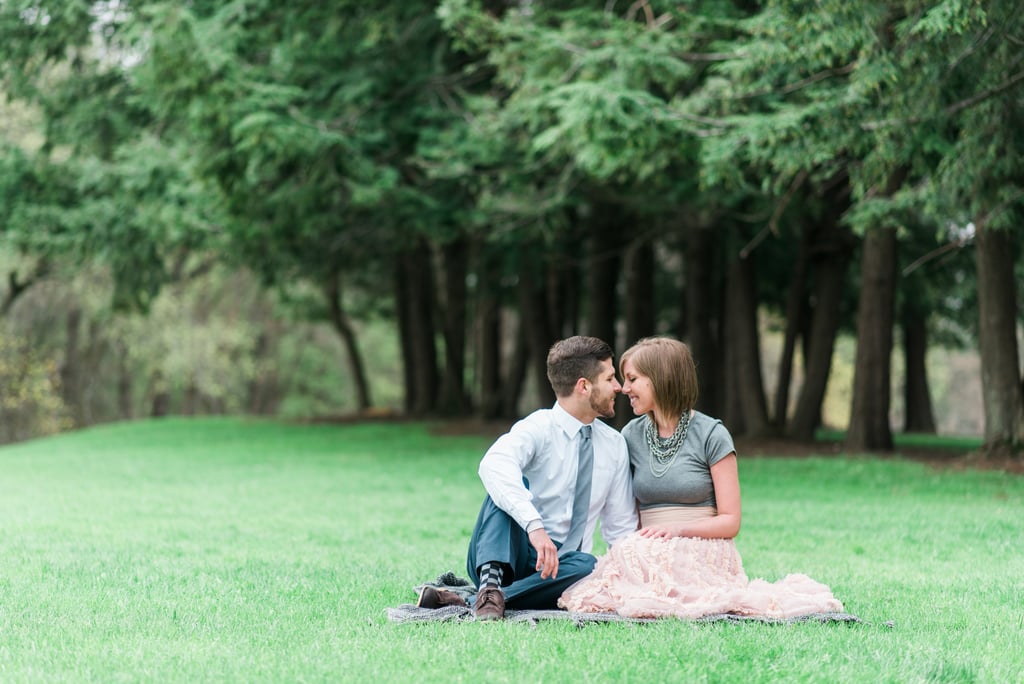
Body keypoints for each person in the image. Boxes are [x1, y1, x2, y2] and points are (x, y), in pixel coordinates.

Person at [559, 336, 844, 619]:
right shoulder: (630, 436)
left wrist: (677, 530)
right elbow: (627, 514)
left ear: (660, 379)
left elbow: (731, 521)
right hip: (648, 549)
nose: (625, 389)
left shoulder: (711, 434)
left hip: (702, 547)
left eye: (633, 379)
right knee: (609, 577)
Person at [417, 336, 638, 620]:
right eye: (610, 378)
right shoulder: (538, 427)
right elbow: (493, 463)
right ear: (584, 386)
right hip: (509, 552)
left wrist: (630, 574)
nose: (619, 387)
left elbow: (620, 527)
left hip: (565, 568)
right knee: (508, 485)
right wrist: (534, 527)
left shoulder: (614, 444)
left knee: (591, 566)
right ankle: (490, 581)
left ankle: (479, 597)